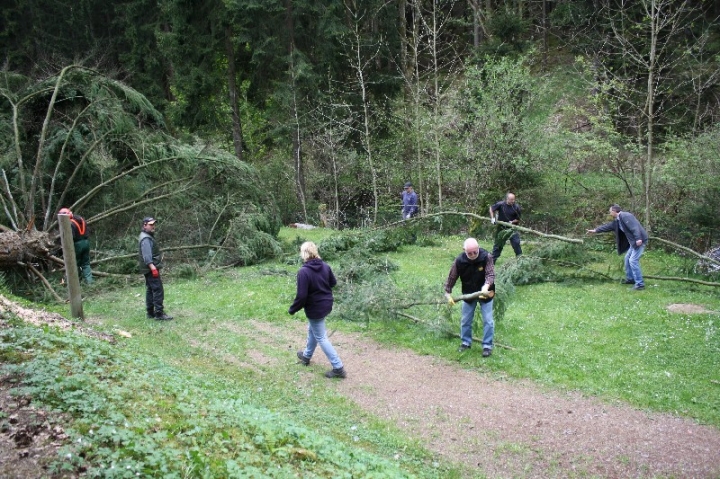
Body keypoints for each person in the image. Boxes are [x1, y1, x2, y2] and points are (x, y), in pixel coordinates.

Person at [289, 241, 346, 379]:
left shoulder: (304, 271)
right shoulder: (325, 266)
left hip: (315, 308)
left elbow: (302, 296)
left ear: (304, 254)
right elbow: (333, 283)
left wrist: (293, 309)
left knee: (321, 336)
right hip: (326, 304)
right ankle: (306, 356)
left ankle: (338, 367)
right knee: (313, 329)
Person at [444, 237, 496, 356]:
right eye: (469, 253)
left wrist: (485, 287)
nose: (472, 255)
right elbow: (452, 277)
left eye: (475, 252)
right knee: (465, 320)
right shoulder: (459, 261)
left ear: (478, 248)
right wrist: (448, 293)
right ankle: (466, 343)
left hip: (486, 293)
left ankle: (487, 346)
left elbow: (490, 274)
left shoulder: (486, 257)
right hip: (468, 293)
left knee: (488, 321)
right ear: (464, 250)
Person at [587, 204, 648, 291]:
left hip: (639, 241)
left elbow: (634, 227)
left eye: (610, 211)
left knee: (633, 260)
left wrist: (638, 238)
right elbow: (608, 226)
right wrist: (595, 230)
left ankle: (640, 284)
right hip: (633, 243)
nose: (610, 213)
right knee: (627, 259)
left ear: (614, 211)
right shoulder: (618, 220)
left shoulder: (626, 216)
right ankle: (631, 279)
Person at [138, 217, 173, 320]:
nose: (153, 226)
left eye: (154, 224)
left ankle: (150, 312)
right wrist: (152, 267)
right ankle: (159, 314)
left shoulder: (145, 236)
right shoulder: (146, 239)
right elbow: (147, 256)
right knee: (158, 290)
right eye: (150, 224)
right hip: (150, 268)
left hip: (147, 268)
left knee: (150, 289)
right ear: (145, 225)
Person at [58, 208, 93, 284]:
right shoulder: (81, 219)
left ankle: (76, 283)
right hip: (86, 242)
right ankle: (89, 282)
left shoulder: (70, 224)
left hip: (77, 245)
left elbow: (71, 238)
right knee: (86, 264)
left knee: (74, 264)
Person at [489, 193, 522, 261]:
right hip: (501, 228)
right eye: (511, 199)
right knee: (498, 246)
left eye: (514, 199)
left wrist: (512, 222)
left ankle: (520, 260)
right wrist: (492, 218)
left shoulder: (516, 207)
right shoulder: (501, 204)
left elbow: (518, 219)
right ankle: (492, 262)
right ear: (507, 199)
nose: (513, 201)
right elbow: (491, 209)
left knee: (516, 244)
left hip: (512, 229)